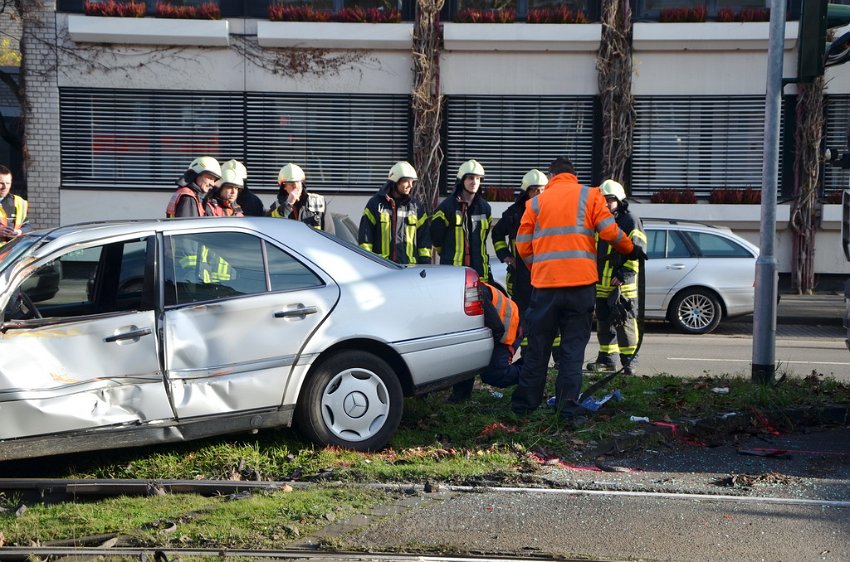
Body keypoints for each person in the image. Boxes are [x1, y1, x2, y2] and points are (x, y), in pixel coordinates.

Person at [510, 156, 644, 425]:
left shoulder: (536, 202)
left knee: (537, 348)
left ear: (551, 176)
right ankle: (567, 410)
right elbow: (610, 232)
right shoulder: (590, 195)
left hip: (545, 286)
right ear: (573, 175)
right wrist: (631, 250)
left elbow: (523, 244)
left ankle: (524, 408)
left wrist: (538, 266)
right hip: (581, 287)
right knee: (572, 351)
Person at [586, 179, 647, 376]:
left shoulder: (630, 221)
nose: (606, 203)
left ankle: (629, 364)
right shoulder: (599, 221)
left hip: (622, 286)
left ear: (619, 200)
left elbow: (637, 251)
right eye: (603, 200)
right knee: (604, 325)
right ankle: (607, 360)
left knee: (625, 323)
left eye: (610, 200)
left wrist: (623, 275)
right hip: (601, 284)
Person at [447, 281, 524, 403]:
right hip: (496, 326)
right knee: (465, 356)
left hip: (508, 325)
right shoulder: (457, 295)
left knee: (495, 375)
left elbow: (497, 328)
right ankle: (461, 395)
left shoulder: (473, 294)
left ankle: (531, 371)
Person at [491, 168, 548, 313]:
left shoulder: (551, 213)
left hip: (545, 272)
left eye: (542, 190)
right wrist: (505, 256)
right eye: (534, 190)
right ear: (526, 192)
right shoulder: (513, 214)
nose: (539, 194)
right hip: (520, 274)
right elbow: (497, 234)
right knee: (522, 313)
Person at [430, 159, 493, 282]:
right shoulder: (447, 207)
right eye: (470, 178)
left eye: (478, 178)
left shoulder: (485, 208)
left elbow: (483, 239)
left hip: (479, 273)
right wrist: (447, 253)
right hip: (452, 272)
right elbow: (436, 237)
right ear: (461, 180)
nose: (474, 182)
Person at [358, 161, 431, 264]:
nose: (410, 185)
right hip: (381, 268)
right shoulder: (375, 205)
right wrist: (367, 264)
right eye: (406, 181)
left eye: (412, 182)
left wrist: (425, 266)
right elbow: (365, 239)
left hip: (409, 271)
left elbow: (424, 241)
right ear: (395, 181)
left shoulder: (416, 208)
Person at [269, 163, 332, 233]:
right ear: (284, 187)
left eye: (298, 182)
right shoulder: (276, 207)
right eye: (291, 183)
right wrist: (288, 204)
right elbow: (273, 230)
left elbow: (329, 235)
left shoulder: (319, 202)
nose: (295, 186)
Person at [0, 164, 30, 246]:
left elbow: (27, 226)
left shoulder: (19, 202)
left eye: (8, 183)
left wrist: (18, 232)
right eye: (1, 183)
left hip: (12, 254)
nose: (5, 187)